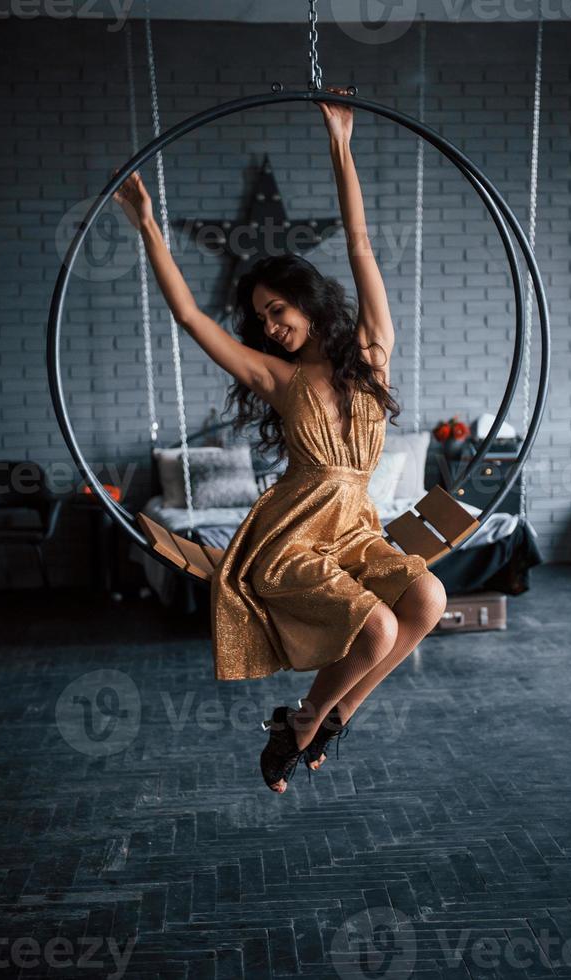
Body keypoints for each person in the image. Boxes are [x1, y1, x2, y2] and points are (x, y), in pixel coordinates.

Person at [113, 85, 447, 794]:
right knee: (379, 632)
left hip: (355, 526)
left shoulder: (372, 349)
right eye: (259, 318)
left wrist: (341, 144)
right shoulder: (274, 376)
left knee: (428, 602)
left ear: (306, 297)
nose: (268, 325)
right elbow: (191, 320)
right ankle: (301, 721)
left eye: (277, 309)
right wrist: (148, 226)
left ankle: (326, 719)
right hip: (291, 534)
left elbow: (358, 245)